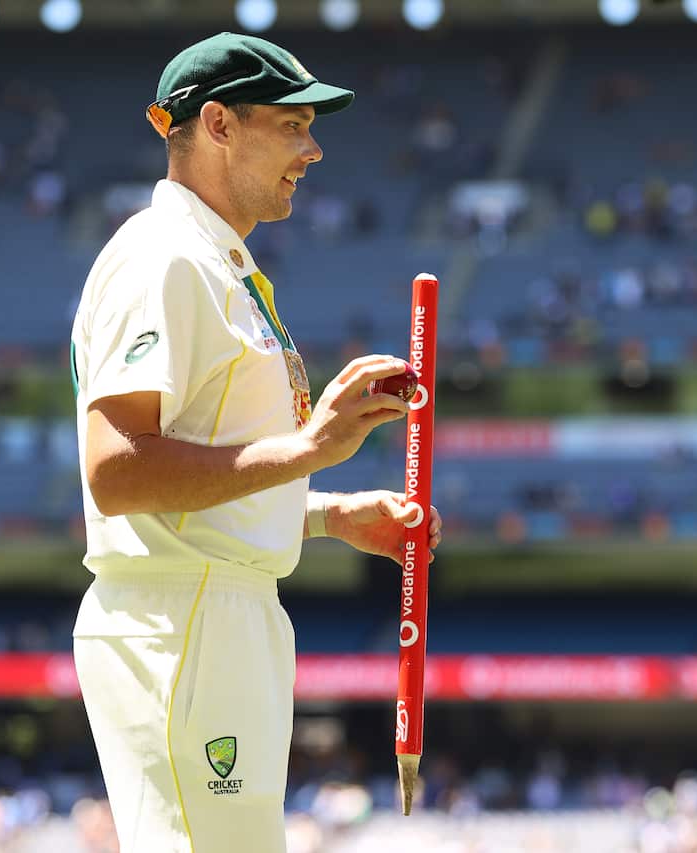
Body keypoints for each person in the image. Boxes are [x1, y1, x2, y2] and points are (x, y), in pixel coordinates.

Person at [68, 32, 443, 853]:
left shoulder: (216, 262)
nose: (312, 150)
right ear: (219, 125)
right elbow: (117, 472)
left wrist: (323, 512)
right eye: (291, 124)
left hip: (221, 609)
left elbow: (200, 469)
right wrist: (310, 448)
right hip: (183, 617)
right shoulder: (165, 257)